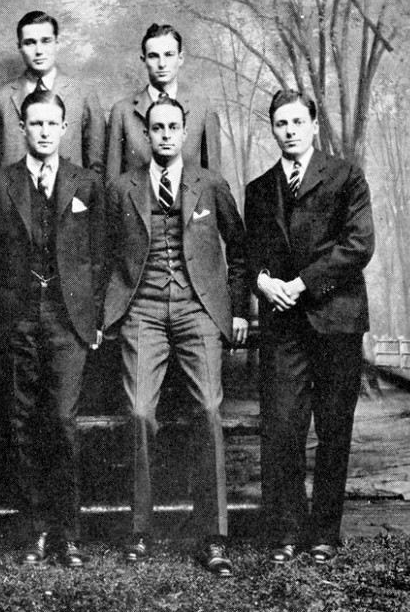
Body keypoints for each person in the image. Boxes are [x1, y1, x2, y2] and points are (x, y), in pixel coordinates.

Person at [103, 97, 247, 576]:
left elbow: (240, 250)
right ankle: (139, 531)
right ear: (146, 135)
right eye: (157, 128)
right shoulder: (121, 187)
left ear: (184, 132)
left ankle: (214, 536)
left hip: (196, 308)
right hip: (141, 309)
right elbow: (100, 252)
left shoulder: (210, 184)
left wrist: (236, 309)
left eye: (173, 127)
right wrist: (108, 311)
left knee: (208, 409)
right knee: (140, 412)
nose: (165, 135)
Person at [244, 89, 374, 565]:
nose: (290, 131)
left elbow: (358, 245)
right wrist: (263, 283)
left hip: (336, 320)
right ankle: (285, 531)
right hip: (283, 325)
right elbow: (250, 255)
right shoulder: (260, 188)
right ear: (273, 129)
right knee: (282, 426)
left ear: (314, 125)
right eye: (282, 123)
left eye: (298, 122)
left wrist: (300, 284)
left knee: (334, 428)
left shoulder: (345, 176)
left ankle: (324, 533)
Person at [0, 90, 105, 567]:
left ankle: (68, 534)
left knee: (63, 422)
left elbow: (100, 255)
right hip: (16, 317)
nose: (45, 131)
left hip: (67, 318)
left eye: (53, 123)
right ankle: (34, 531)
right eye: (36, 123)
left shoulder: (86, 183)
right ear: (23, 128)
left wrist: (93, 317)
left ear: (64, 127)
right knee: (21, 421)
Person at [0, 10, 106, 175]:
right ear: (19, 47)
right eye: (30, 43)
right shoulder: (0, 99)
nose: (39, 50)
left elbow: (96, 166)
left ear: (57, 43)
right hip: (15, 190)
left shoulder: (83, 95)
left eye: (46, 41)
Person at [106, 24, 221, 184]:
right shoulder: (122, 111)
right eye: (154, 56)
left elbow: (214, 183)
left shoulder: (203, 110)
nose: (162, 64)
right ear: (144, 60)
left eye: (169, 55)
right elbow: (112, 182)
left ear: (180, 58)